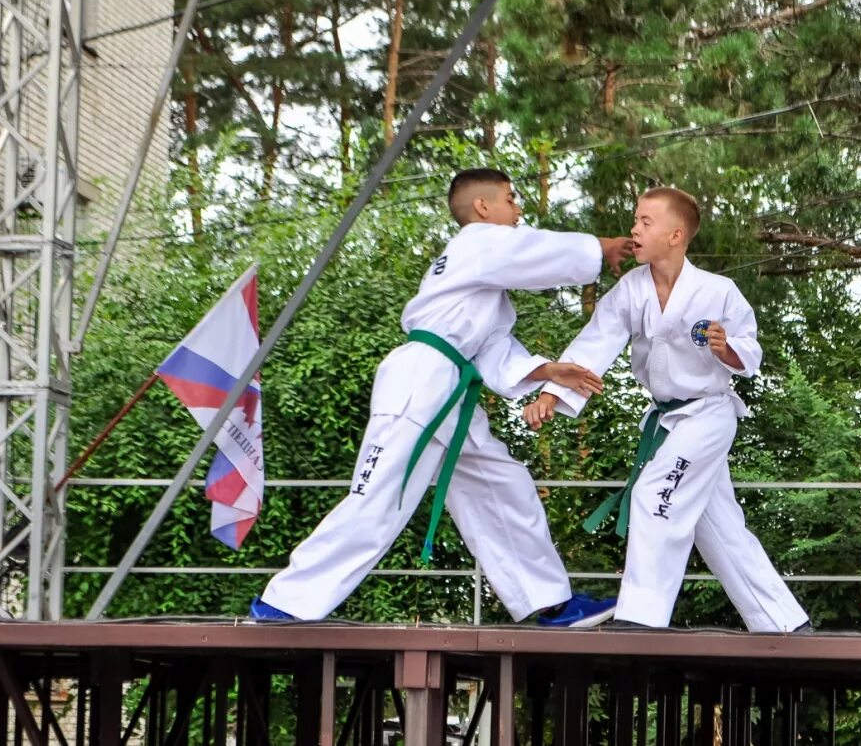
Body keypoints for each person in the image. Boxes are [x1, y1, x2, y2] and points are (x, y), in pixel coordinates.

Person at [249, 168, 632, 626]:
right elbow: (533, 251)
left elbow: (491, 348)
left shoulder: (480, 274)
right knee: (379, 495)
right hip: (421, 380)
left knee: (502, 485)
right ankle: (287, 602)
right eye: (511, 199)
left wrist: (548, 370)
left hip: (449, 389)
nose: (519, 209)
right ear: (483, 207)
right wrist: (598, 249)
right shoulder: (476, 242)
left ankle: (546, 601)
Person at [524, 187, 810, 633]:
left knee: (655, 491)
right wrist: (552, 393)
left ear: (676, 235)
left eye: (645, 222)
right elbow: (595, 341)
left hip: (708, 414)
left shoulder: (719, 291)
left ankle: (641, 616)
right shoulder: (631, 290)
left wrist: (727, 348)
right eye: (635, 221)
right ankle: (784, 623)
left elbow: (750, 350)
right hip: (668, 418)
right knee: (719, 529)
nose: (635, 229)